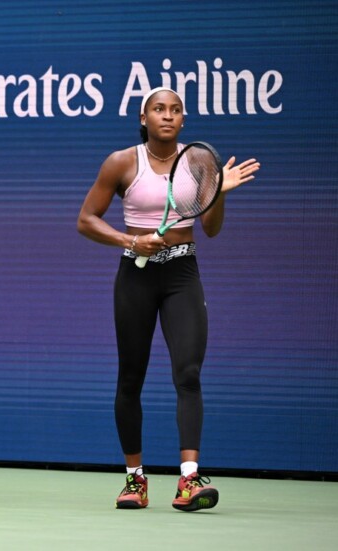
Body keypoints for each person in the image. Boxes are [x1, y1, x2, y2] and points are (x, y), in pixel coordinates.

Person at [76, 87, 260, 512]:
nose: (167, 116)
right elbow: (86, 220)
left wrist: (218, 190)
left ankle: (189, 481)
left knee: (189, 373)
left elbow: (210, 229)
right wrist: (130, 240)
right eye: (159, 109)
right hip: (134, 277)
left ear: (183, 119)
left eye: (175, 110)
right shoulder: (122, 162)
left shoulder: (198, 163)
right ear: (144, 117)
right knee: (130, 378)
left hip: (182, 273)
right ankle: (134, 481)